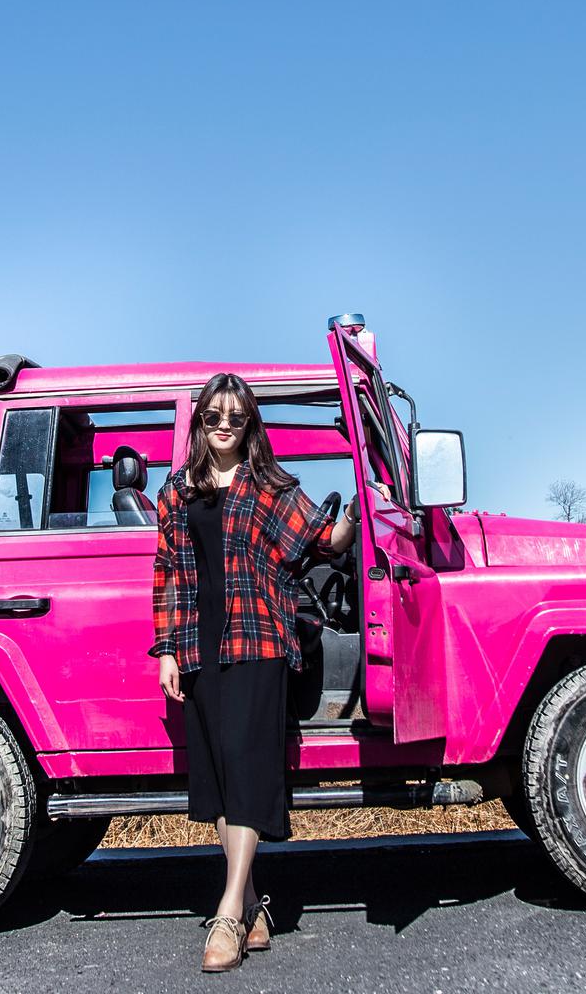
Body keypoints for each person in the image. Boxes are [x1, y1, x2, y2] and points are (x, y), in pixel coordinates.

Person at [148, 372, 361, 972]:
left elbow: (323, 539)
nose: (223, 424)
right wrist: (166, 648)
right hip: (198, 645)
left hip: (258, 639)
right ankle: (250, 907)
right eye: (213, 415)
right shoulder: (177, 493)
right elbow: (166, 571)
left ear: (249, 424)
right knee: (220, 773)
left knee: (246, 767)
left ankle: (225, 914)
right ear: (200, 423)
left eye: (235, 417)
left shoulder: (270, 486)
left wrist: (351, 516)